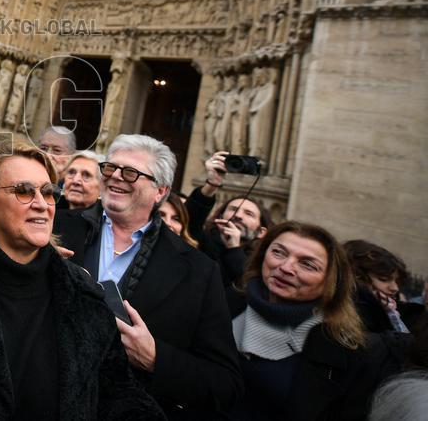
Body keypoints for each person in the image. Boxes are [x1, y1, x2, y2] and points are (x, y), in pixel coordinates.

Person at [0, 141, 165, 420]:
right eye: (24, 191)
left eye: (48, 193)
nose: (41, 204)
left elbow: (119, 394)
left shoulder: (83, 295)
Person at [54, 134, 242, 419]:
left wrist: (156, 358)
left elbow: (225, 385)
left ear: (160, 191)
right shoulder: (53, 228)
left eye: (130, 172)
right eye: (109, 168)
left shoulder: (198, 271)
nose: (116, 177)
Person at [226, 222, 393, 420]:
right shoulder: (224, 302)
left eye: (307, 264)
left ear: (330, 281)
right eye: (278, 252)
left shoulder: (346, 350)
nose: (286, 267)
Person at [187, 151, 273, 287]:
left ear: (261, 232)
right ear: (220, 217)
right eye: (233, 210)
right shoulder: (203, 242)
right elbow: (190, 219)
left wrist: (234, 248)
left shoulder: (262, 263)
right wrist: (212, 184)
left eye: (249, 214)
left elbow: (247, 286)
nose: (238, 216)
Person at [344, 239, 424, 334]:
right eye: (384, 279)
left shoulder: (394, 309)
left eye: (397, 281)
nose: (395, 288)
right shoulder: (353, 315)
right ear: (358, 277)